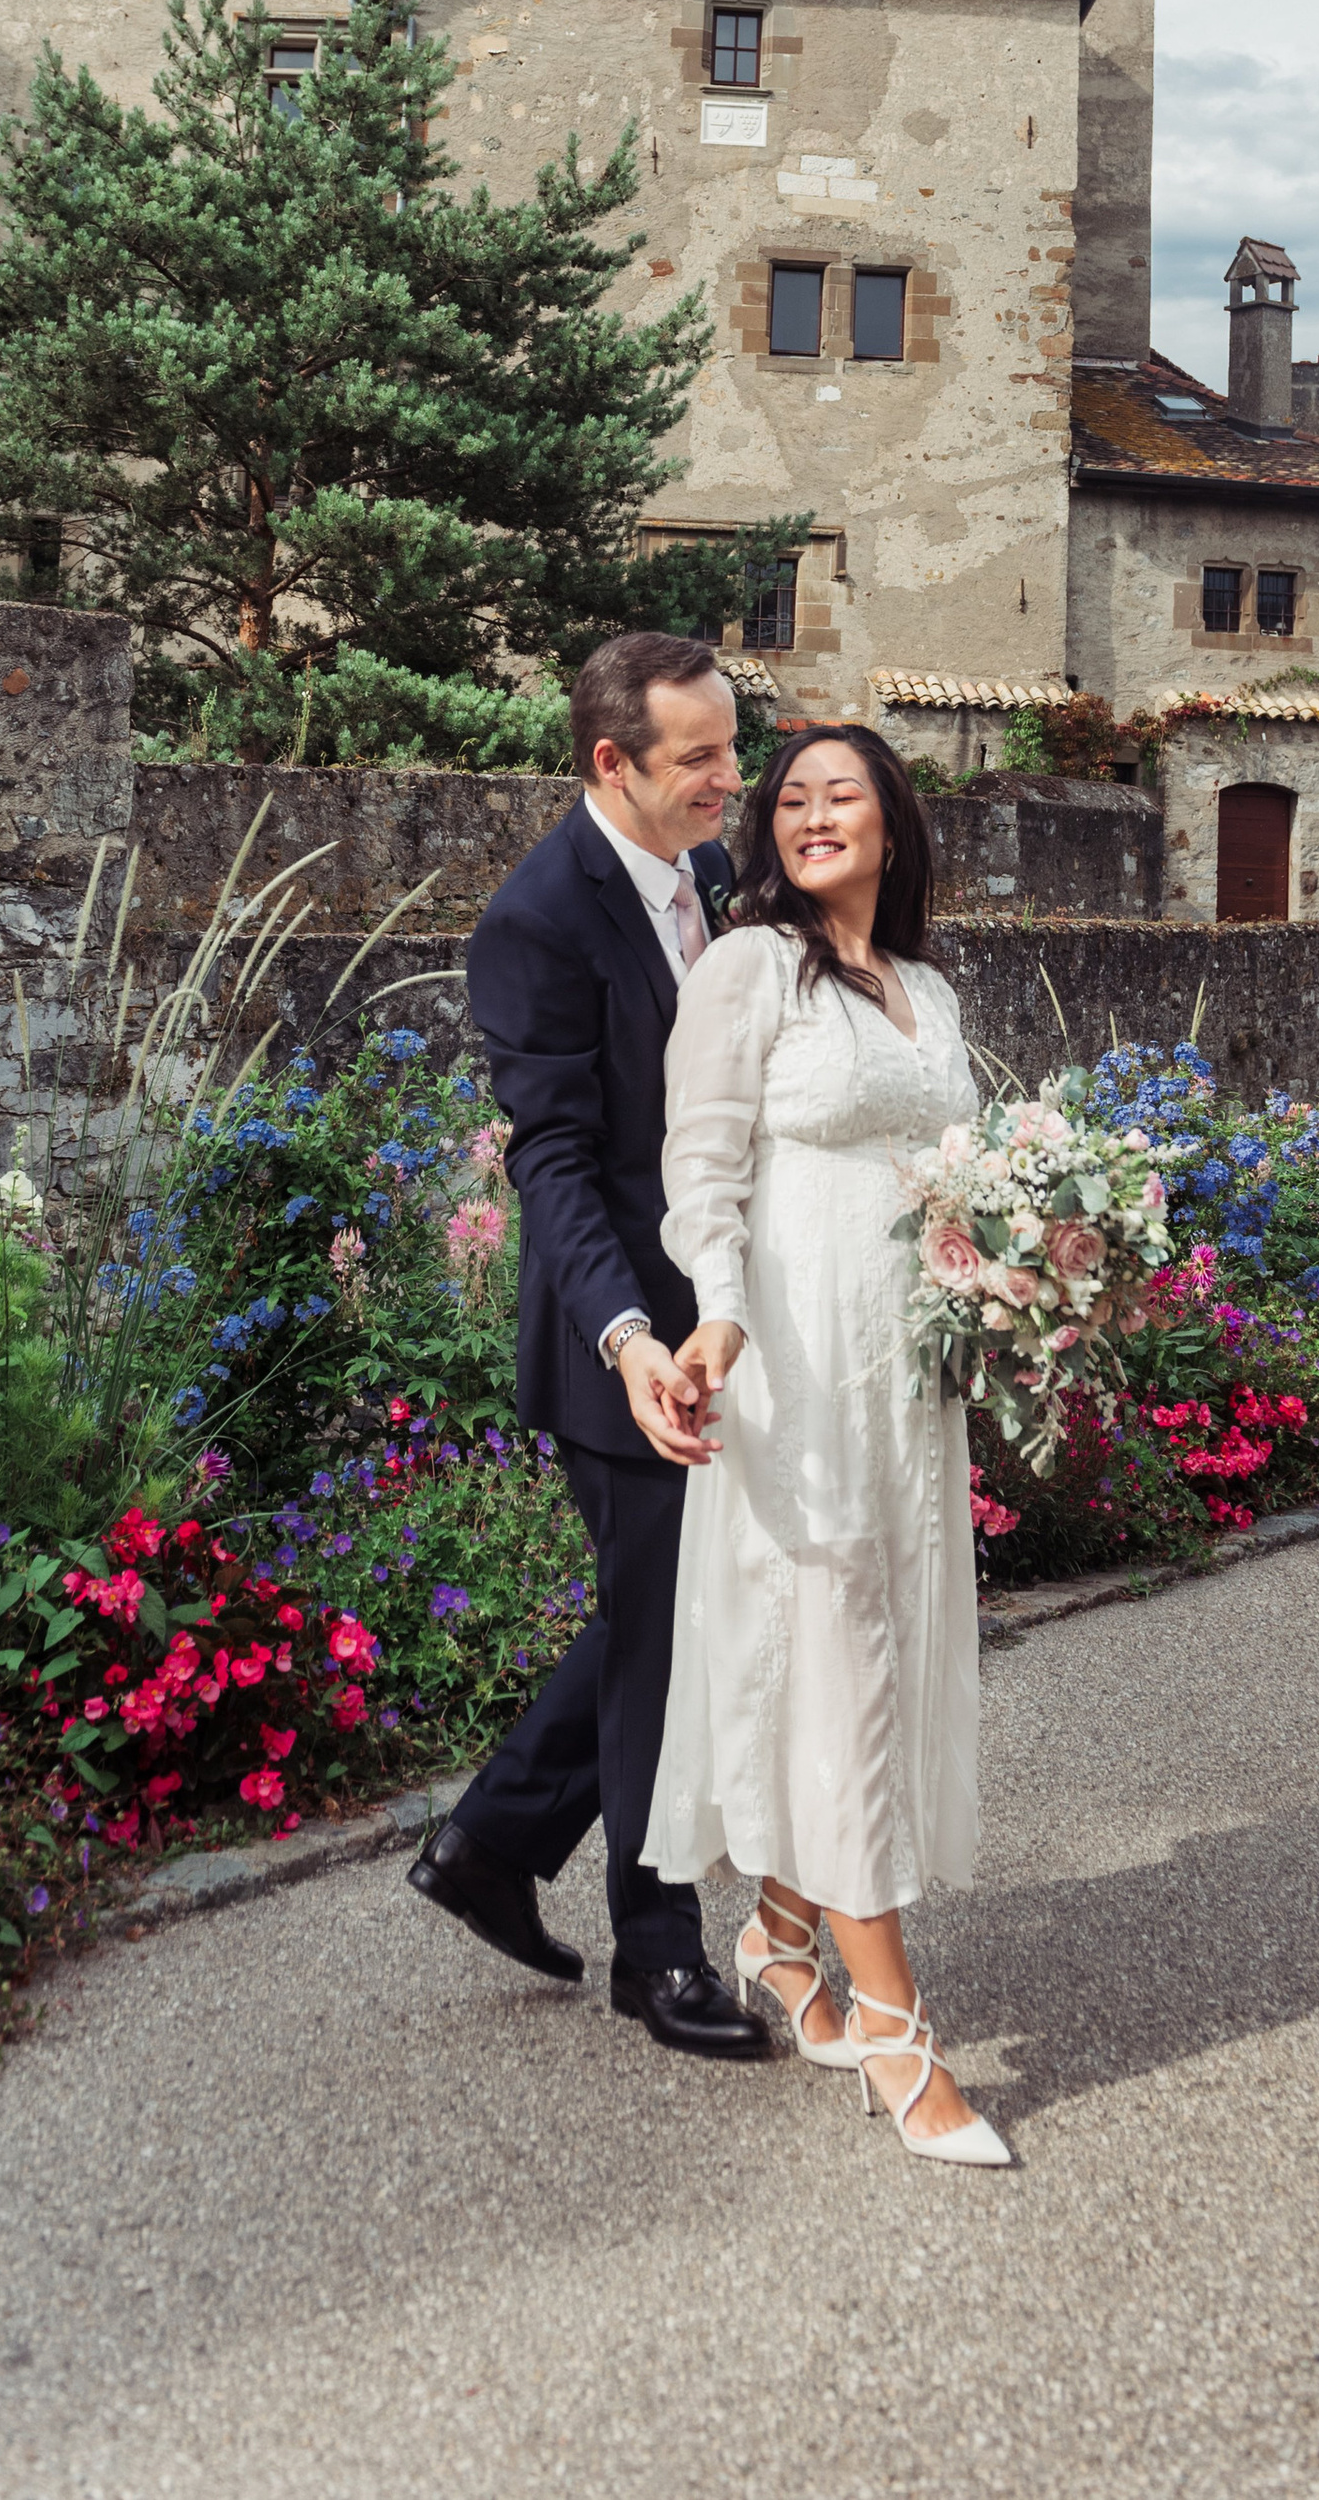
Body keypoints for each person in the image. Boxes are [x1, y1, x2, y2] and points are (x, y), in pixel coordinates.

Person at [640, 723, 1011, 2166]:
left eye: (839, 792)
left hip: (909, 1378)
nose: (809, 813)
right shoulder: (751, 966)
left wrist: (1023, 1273)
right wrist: (717, 1315)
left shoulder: (928, 987)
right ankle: (900, 2033)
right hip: (794, 1368)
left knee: (884, 1651)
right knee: (840, 1661)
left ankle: (782, 1939)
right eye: (788, 796)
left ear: (892, 822)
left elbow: (954, 1179)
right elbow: (702, 1164)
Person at [405, 631, 772, 2059]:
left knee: (655, 1618)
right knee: (666, 1645)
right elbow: (551, 1159)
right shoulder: (538, 918)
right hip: (621, 1347)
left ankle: (488, 1845)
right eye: (702, 758)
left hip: (723, 1322)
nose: (731, 780)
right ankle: (656, 1953)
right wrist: (627, 1336)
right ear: (612, 762)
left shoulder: (707, 872)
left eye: (733, 748)